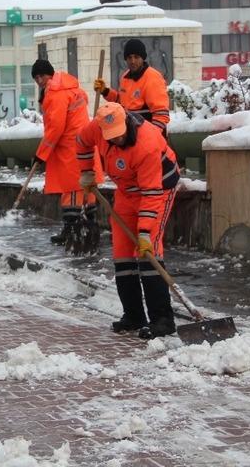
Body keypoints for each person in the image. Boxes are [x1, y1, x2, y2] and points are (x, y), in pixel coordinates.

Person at [77, 102, 180, 339]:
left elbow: (152, 194)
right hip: (126, 191)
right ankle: (133, 316)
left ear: (126, 123)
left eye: (120, 134)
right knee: (123, 253)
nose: (117, 139)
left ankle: (162, 319)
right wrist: (86, 172)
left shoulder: (147, 143)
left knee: (148, 251)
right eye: (111, 137)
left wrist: (144, 232)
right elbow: (81, 142)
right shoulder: (97, 128)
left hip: (158, 189)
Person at [30, 58, 102, 248]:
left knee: (71, 189)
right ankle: (90, 227)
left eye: (42, 76)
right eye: (36, 77)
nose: (39, 80)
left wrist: (41, 154)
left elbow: (55, 128)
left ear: (50, 75)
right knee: (87, 188)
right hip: (85, 144)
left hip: (70, 149)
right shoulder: (72, 88)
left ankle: (72, 230)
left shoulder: (55, 94)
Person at [94, 39, 170, 135]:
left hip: (148, 133)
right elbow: (122, 102)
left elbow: (161, 114)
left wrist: (152, 135)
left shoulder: (153, 78)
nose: (132, 61)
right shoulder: (125, 77)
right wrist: (105, 91)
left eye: (136, 57)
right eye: (129, 57)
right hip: (131, 132)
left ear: (143, 58)